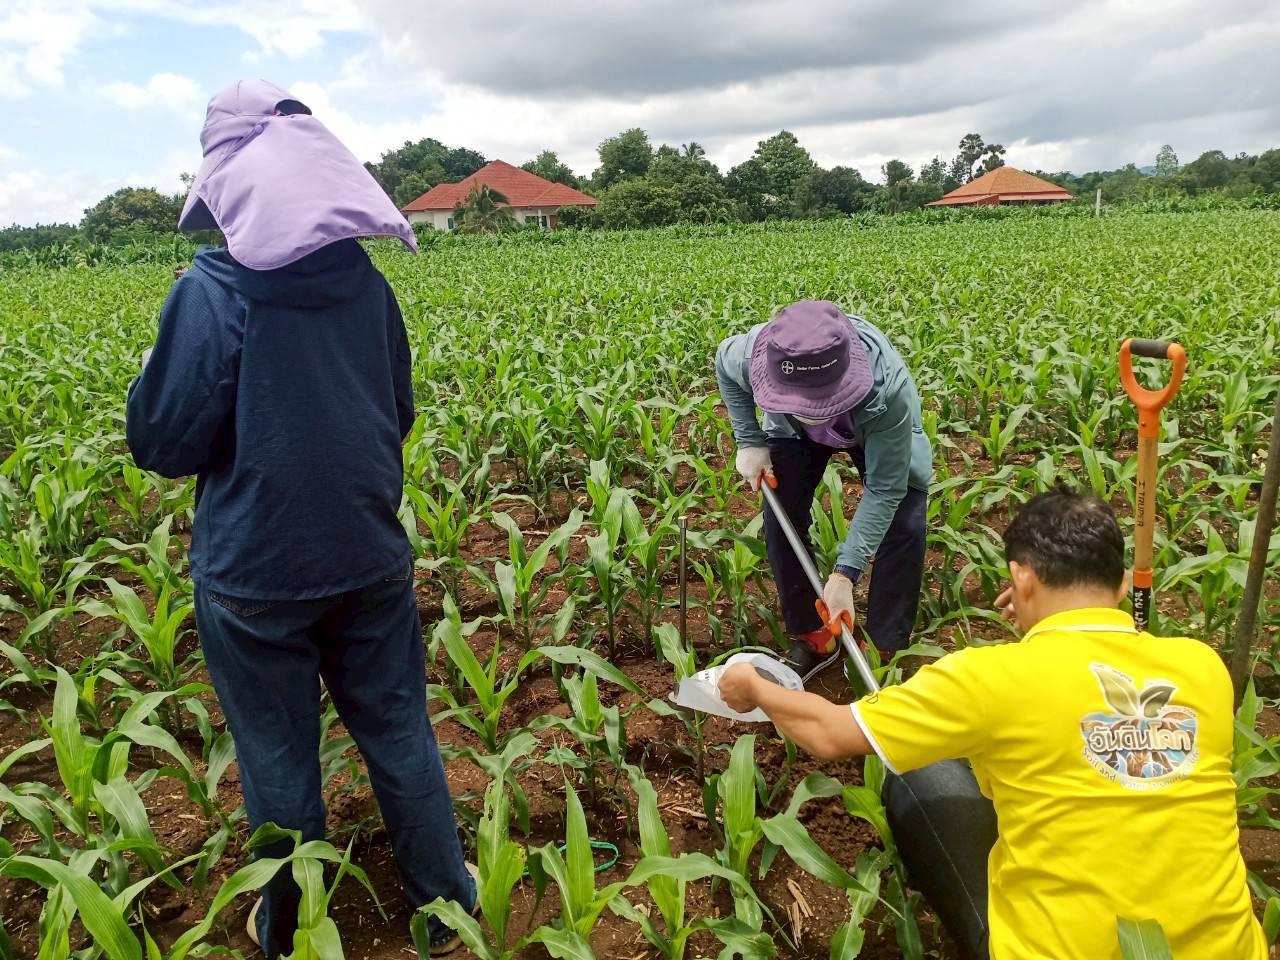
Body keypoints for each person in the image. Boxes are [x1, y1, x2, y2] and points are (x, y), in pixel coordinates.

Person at [126, 80, 475, 957]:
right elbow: (394, 412)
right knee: (398, 727)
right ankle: (446, 899)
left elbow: (164, 442)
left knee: (279, 759)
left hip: (254, 573)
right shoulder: (368, 290)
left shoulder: (210, 295)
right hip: (367, 553)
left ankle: (285, 924)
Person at [718, 488, 1266, 959]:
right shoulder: (1204, 668)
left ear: (1019, 578)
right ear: (1123, 584)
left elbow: (830, 734)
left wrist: (757, 687)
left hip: (1059, 949)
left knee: (919, 772)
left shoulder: (989, 679)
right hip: (1228, 948)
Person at [715, 300, 932, 680]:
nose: (814, 411)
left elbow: (885, 487)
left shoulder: (888, 391)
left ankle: (881, 646)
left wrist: (845, 574)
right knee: (781, 512)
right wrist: (750, 441)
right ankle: (815, 634)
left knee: (906, 518)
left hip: (871, 423)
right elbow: (723, 362)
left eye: (822, 404)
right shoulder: (753, 355)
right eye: (804, 405)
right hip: (792, 435)